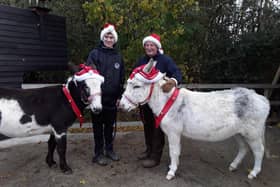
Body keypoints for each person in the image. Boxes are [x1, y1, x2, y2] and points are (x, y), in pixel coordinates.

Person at [135, 33, 182, 168]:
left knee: (157, 129)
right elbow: (135, 78)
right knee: (147, 126)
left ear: (157, 46)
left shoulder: (165, 60)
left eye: (152, 45)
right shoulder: (141, 61)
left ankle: (155, 156)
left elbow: (177, 73)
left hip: (160, 104)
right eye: (147, 45)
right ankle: (148, 150)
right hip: (145, 101)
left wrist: (172, 81)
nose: (149, 47)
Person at [86, 23, 125, 166]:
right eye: (107, 36)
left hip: (112, 99)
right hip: (97, 99)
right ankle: (98, 154)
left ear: (114, 40)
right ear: (103, 38)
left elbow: (121, 79)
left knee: (109, 126)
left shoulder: (118, 57)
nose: (109, 39)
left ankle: (109, 150)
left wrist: (119, 96)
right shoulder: (94, 54)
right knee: (97, 127)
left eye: (111, 37)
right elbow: (89, 76)